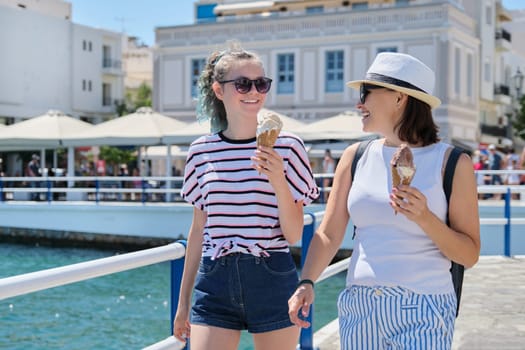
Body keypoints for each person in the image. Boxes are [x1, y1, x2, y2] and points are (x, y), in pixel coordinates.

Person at [288, 52, 480, 349]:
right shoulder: (355, 156)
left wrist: (425, 217)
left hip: (424, 308)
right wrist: (307, 281)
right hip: (360, 307)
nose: (358, 103)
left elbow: (468, 255)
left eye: (366, 92)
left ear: (399, 98)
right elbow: (328, 233)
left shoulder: (452, 163)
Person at [173, 41, 319, 350]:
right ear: (218, 90)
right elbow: (199, 230)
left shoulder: (289, 147)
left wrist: (278, 178)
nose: (254, 91)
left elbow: (293, 234)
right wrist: (183, 302)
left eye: (261, 83)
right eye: (242, 84)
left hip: (271, 274)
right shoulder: (200, 152)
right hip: (214, 278)